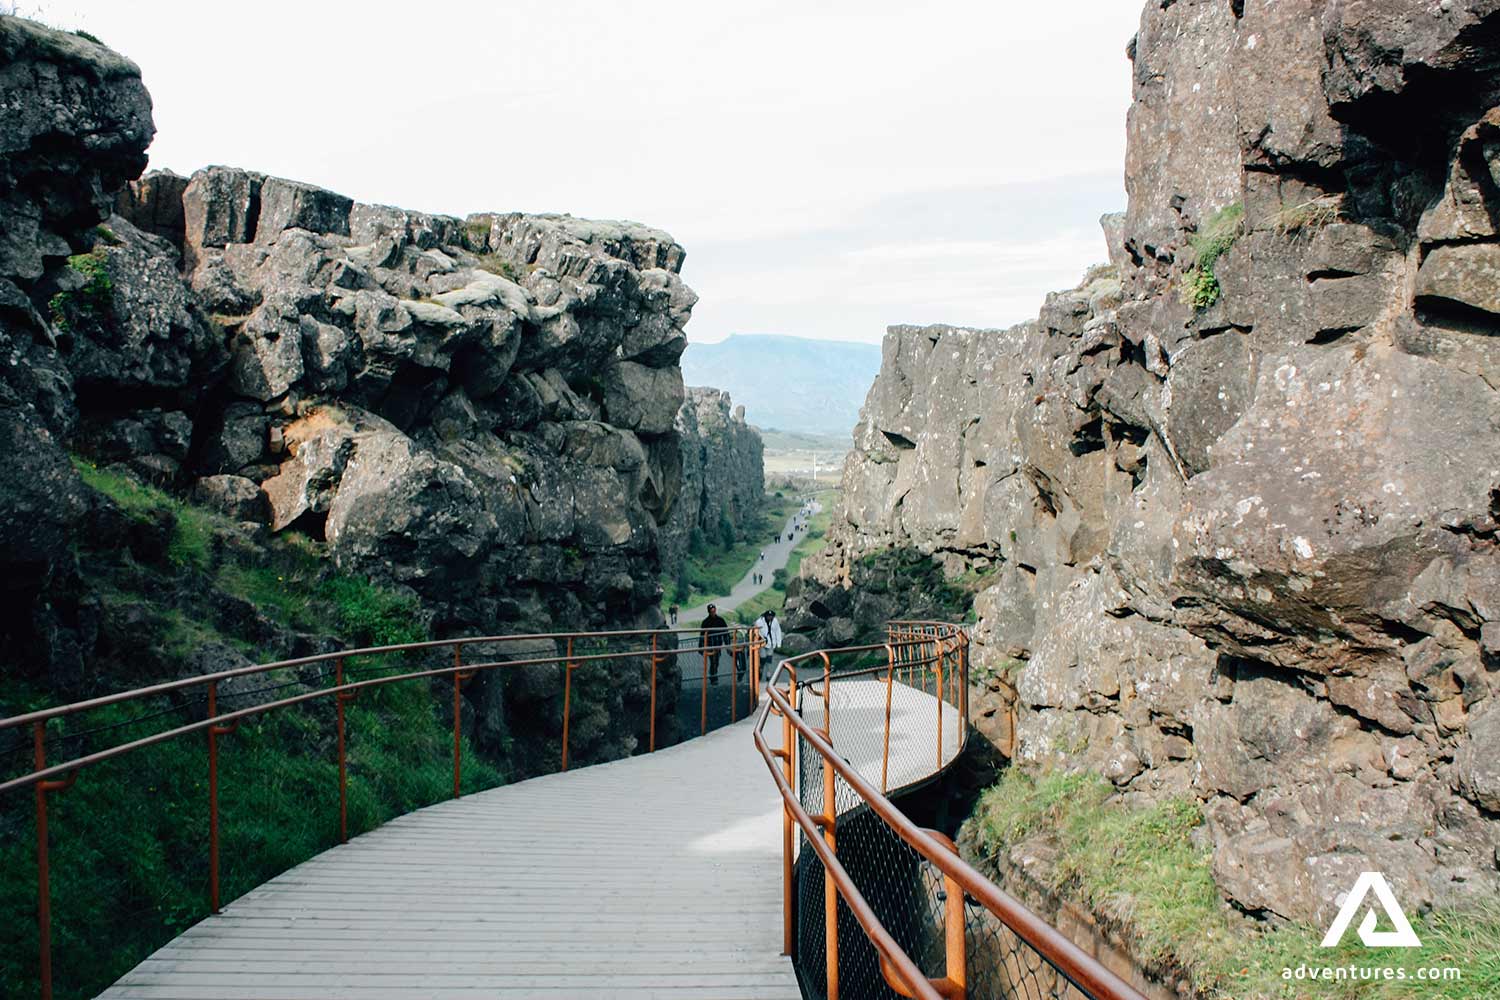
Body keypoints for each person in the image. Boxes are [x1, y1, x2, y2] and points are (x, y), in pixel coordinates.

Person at [701, 604, 730, 685]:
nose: (713, 613)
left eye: (714, 611)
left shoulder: (720, 620)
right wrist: (701, 647)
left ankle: (713, 673)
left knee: (716, 661)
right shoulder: (705, 622)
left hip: (718, 644)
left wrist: (727, 644)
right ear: (709, 612)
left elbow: (726, 632)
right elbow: (702, 635)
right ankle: (714, 677)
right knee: (713, 660)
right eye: (711, 611)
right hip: (710, 645)